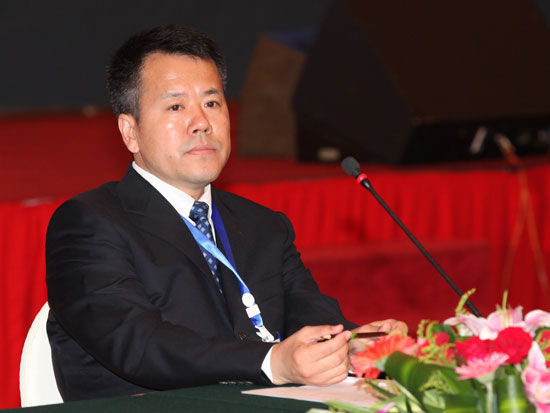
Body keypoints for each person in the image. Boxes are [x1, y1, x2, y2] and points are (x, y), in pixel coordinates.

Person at [46, 24, 404, 402]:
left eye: (212, 103)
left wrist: (350, 345)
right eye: (176, 106)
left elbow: (308, 315)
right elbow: (139, 345)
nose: (202, 122)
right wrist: (271, 362)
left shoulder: (263, 225)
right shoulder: (90, 224)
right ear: (130, 131)